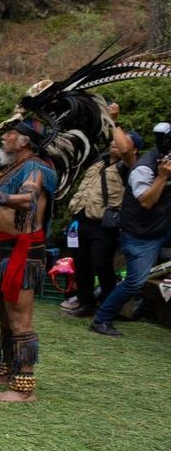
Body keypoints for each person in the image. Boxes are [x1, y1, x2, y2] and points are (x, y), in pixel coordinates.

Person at [0, 119, 58, 402]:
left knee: (20, 319)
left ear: (25, 141)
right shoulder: (18, 166)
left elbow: (27, 199)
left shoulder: (35, 168)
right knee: (5, 314)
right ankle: (7, 372)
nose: (4, 137)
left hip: (23, 253)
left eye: (11, 134)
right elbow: (1, 182)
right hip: (7, 252)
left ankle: (23, 387)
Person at [89, 121, 171, 337]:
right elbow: (146, 201)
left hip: (162, 227)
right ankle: (102, 319)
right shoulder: (144, 168)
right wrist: (162, 177)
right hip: (140, 235)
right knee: (135, 282)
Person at [60, 108, 137, 318]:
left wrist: (113, 122)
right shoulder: (98, 161)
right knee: (82, 264)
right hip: (80, 221)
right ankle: (86, 303)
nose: (115, 142)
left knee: (102, 264)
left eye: (121, 140)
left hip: (103, 225)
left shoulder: (130, 167)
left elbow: (126, 151)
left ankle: (109, 304)